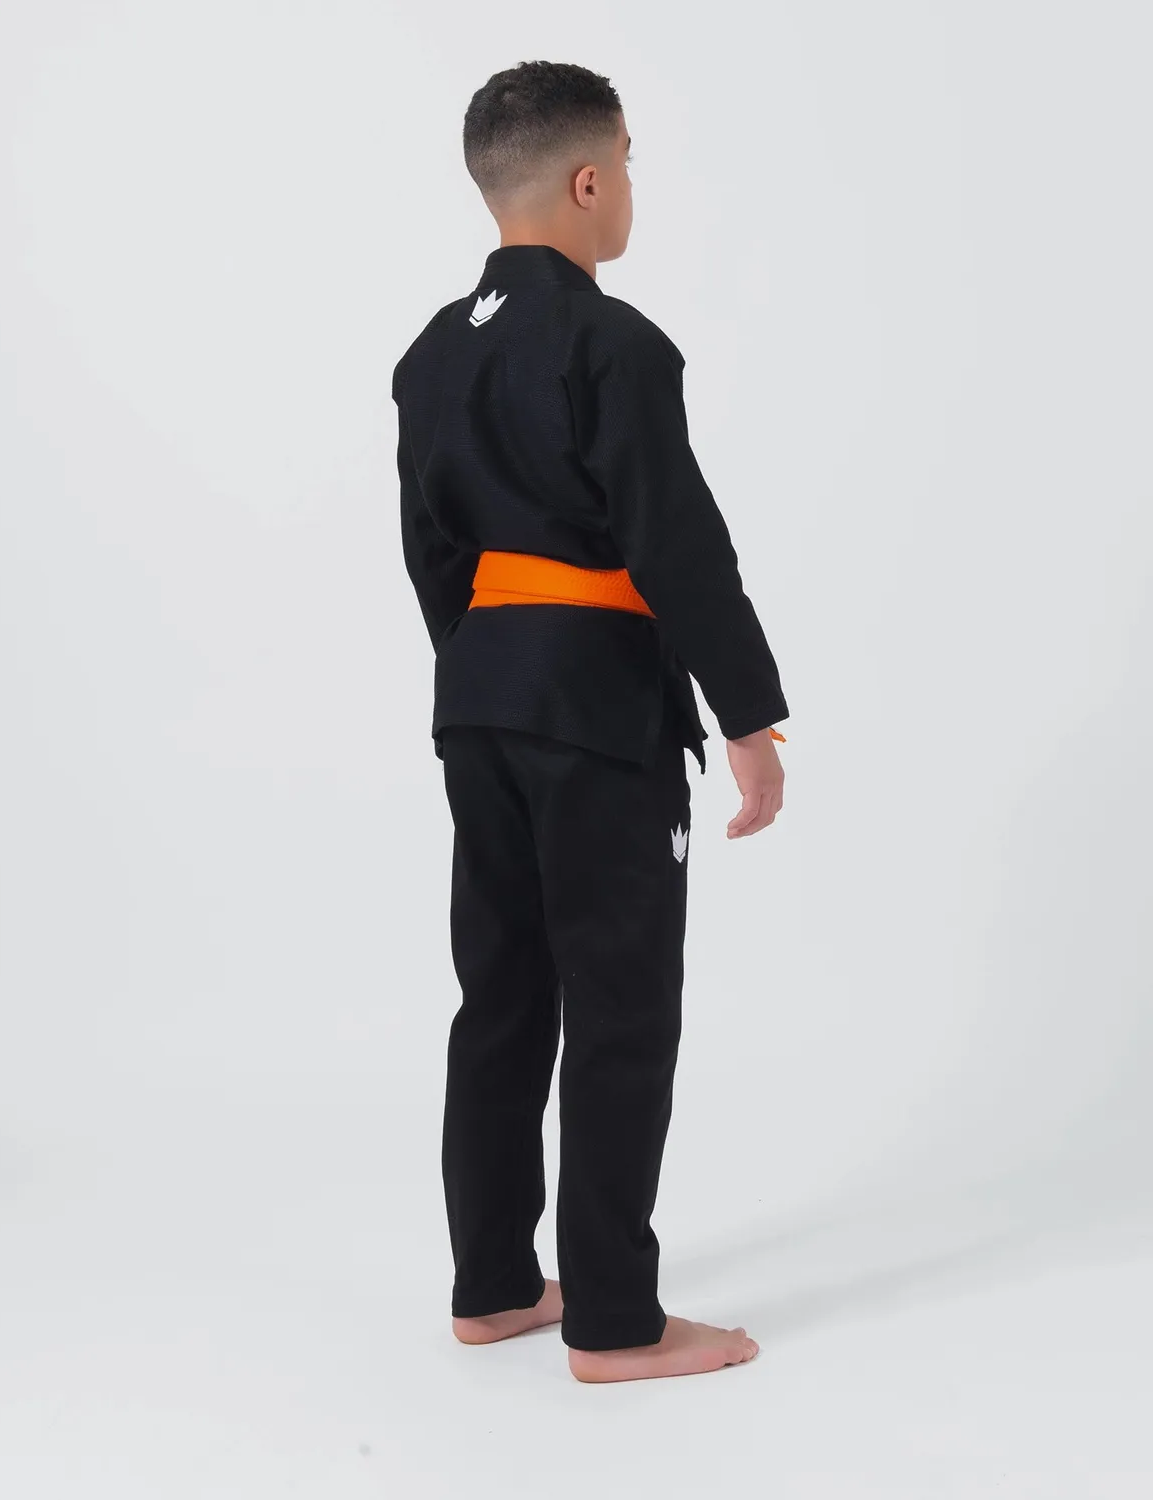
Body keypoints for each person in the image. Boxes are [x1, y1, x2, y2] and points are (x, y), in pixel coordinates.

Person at [391, 60, 789, 1383]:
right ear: (586, 179)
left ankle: (496, 1285)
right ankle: (616, 1320)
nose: (629, 188)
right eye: (627, 163)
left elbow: (432, 552)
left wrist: (490, 672)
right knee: (620, 1004)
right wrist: (748, 715)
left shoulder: (432, 353)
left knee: (502, 993)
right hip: (595, 704)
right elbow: (675, 545)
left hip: (482, 697)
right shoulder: (612, 343)